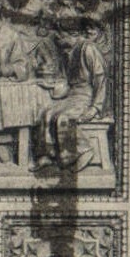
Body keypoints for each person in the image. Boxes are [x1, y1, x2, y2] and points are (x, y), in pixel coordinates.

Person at [37, 18, 109, 168]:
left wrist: (95, 107)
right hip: (73, 96)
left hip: (87, 97)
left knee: (64, 118)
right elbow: (67, 82)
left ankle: (83, 151)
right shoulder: (68, 52)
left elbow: (100, 79)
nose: (58, 39)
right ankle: (48, 154)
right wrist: (51, 86)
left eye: (61, 36)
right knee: (47, 113)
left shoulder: (87, 48)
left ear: (73, 34)